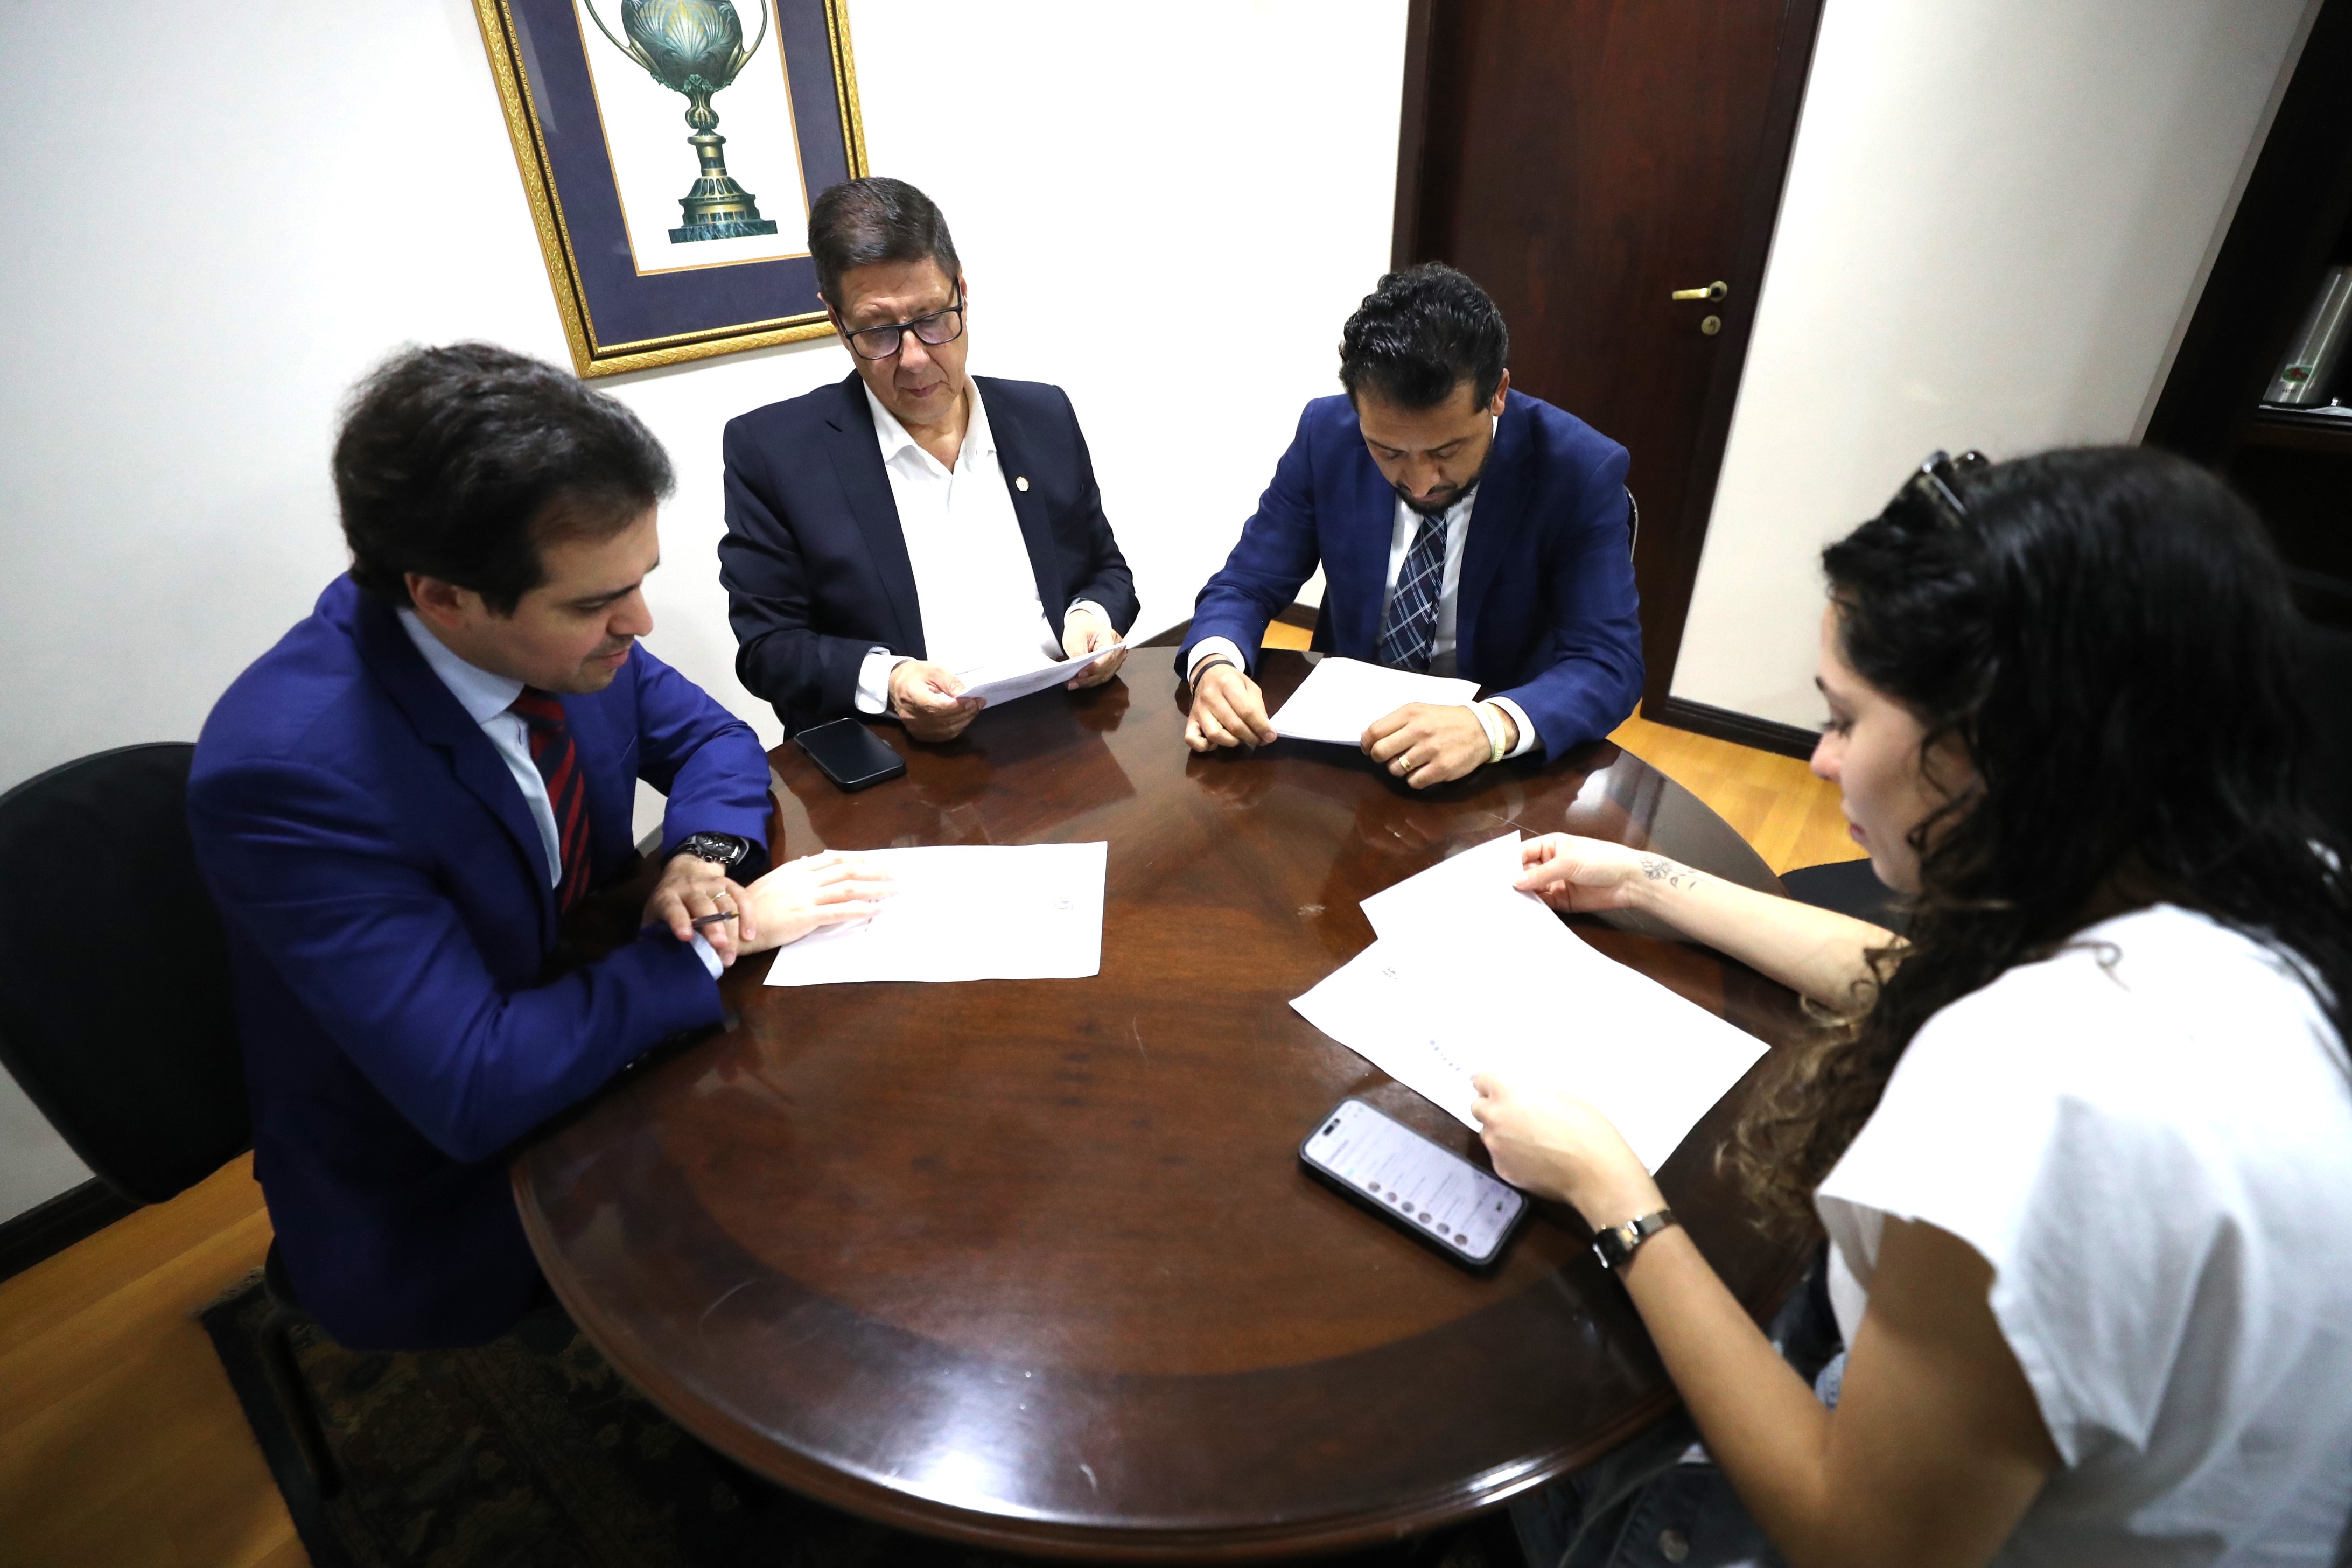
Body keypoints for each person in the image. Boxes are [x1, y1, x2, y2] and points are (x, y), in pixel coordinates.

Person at [1474, 447, 2352, 1565]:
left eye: (1845, 719)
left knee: (1530, 1382)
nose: (1820, 761)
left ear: (1996, 741)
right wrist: (1650, 882)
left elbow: (1854, 1537)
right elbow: (1917, 971)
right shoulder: (2247, 878)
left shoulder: (2041, 1094)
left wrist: (1611, 1190)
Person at [189, 344, 888, 1350]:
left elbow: (712, 740)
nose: (639, 624)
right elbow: (473, 1085)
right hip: (442, 1176)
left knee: (864, 1109)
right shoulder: (290, 776)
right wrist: (717, 938)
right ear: (444, 598)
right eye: (595, 603)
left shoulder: (567, 643)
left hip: (590, 1022)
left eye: (640, 582)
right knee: (811, 1247)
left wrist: (700, 859)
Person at [1179, 262, 1642, 787]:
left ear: (1497, 393)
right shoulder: (1325, 436)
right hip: (1347, 744)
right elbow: (1246, 583)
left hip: (1488, 765)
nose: (1419, 485)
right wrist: (1215, 664)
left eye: (1446, 451)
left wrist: (1490, 726)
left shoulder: (1577, 470)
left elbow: (1609, 662)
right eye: (1388, 451)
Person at [719, 177, 1138, 741]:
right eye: (879, 331)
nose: (914, 359)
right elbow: (768, 647)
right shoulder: (773, 452)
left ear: (961, 289)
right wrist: (888, 679)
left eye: (932, 318)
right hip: (903, 754)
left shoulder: (1042, 415)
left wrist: (1092, 617)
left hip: (1065, 724)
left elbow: (1107, 570)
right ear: (837, 322)